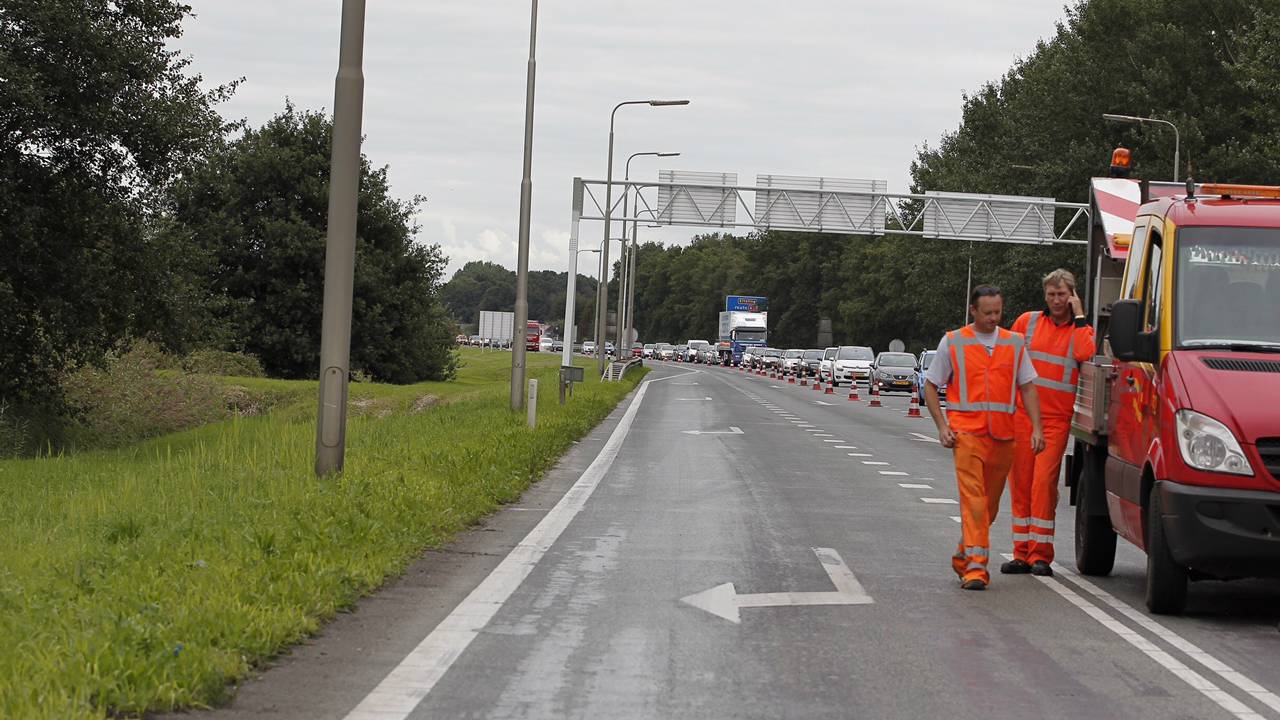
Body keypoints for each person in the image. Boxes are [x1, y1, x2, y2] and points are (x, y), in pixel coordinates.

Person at [923, 285, 1045, 591]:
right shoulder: (953, 342)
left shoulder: (1014, 343)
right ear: (973, 311)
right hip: (967, 435)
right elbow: (930, 386)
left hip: (1004, 437)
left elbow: (1028, 387)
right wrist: (942, 426)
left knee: (989, 507)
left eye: (998, 312)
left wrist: (1037, 428)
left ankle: (964, 553)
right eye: (987, 312)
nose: (993, 317)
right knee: (975, 502)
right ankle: (977, 569)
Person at [1001, 270, 1096, 577]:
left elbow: (1086, 352)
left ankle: (1041, 554)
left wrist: (1080, 315)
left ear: (1072, 295)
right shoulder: (1026, 323)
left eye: (1063, 294)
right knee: (1021, 484)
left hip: (1055, 421)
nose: (1057, 300)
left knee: (1043, 485)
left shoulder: (1080, 329)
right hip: (1022, 416)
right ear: (1045, 296)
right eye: (1052, 294)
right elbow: (1007, 361)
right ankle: (1021, 553)